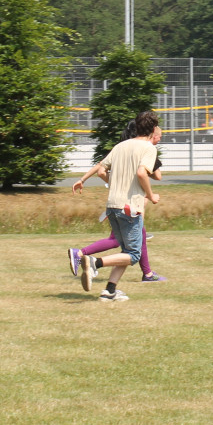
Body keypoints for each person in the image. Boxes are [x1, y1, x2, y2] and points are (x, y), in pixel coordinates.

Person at [70, 111, 161, 301]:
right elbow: (142, 173)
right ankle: (95, 262)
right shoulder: (148, 148)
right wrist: (151, 196)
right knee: (134, 255)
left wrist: (85, 180)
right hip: (130, 207)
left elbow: (101, 170)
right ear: (153, 129)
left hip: (112, 205)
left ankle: (110, 290)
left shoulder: (120, 146)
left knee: (126, 250)